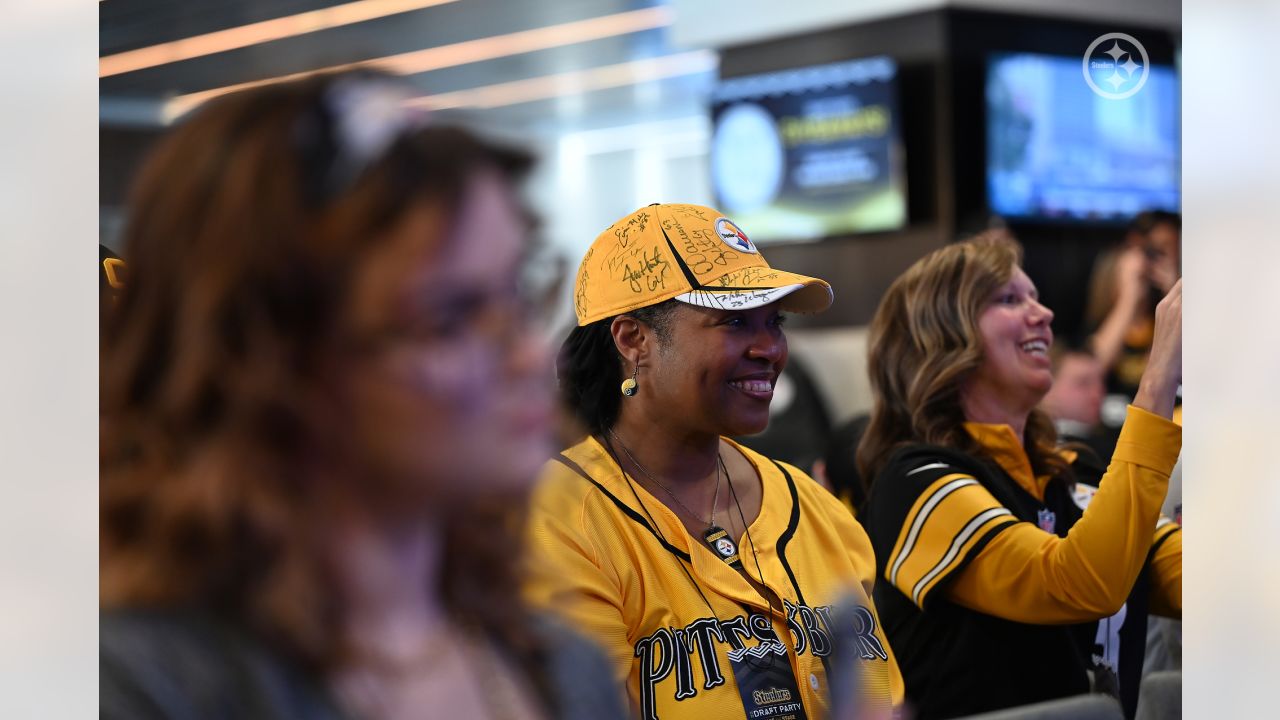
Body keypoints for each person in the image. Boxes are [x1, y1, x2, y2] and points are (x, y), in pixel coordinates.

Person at [100, 72, 623, 720]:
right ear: (268, 363)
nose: (529, 355)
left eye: (516, 293)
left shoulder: (563, 667)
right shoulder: (138, 687)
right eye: (450, 318)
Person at [524, 203, 904, 720]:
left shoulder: (819, 512)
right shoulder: (559, 517)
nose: (769, 347)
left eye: (775, 321)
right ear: (633, 340)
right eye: (734, 322)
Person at [856, 235, 1181, 719]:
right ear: (941, 337)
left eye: (1034, 296)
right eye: (1009, 299)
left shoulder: (1071, 470)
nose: (1043, 314)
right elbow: (1078, 582)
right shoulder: (916, 483)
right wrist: (1159, 379)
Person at [1085, 210, 1181, 398]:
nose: (1158, 261)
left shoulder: (1170, 314)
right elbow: (1091, 371)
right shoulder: (1105, 320)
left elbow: (1158, 381)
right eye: (1153, 250)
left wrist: (1173, 292)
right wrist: (1129, 297)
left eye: (1171, 250)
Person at [1039, 344, 1117, 462]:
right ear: (1047, 387)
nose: (1097, 394)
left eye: (1101, 382)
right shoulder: (1033, 446)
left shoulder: (1115, 442)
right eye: (1083, 383)